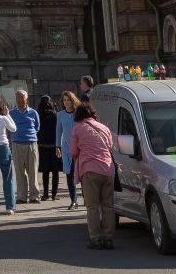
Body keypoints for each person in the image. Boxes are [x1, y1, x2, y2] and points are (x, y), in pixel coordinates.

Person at [69, 100, 116, 250]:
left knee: (93, 207)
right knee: (108, 206)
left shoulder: (78, 129)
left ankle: (96, 239)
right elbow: (110, 146)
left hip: (90, 170)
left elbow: (73, 152)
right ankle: (109, 239)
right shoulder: (104, 128)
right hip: (108, 170)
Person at [7, 90, 40, 208]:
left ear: (26, 99)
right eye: (17, 98)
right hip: (17, 144)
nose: (19, 100)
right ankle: (21, 196)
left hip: (31, 144)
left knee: (33, 171)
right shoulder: (11, 113)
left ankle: (34, 196)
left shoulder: (33, 113)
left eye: (21, 97)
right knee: (20, 171)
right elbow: (8, 128)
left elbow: (37, 127)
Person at [37, 95, 62, 202]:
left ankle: (45, 194)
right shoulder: (55, 114)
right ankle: (54, 194)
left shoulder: (39, 115)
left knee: (45, 171)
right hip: (54, 146)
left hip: (43, 146)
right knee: (55, 171)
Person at [56, 92, 79, 209]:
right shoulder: (60, 114)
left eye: (68, 100)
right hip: (66, 148)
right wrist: (57, 147)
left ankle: (86, 197)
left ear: (73, 100)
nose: (66, 102)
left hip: (80, 147)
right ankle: (73, 200)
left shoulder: (78, 114)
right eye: (64, 100)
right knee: (69, 174)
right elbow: (58, 132)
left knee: (82, 173)